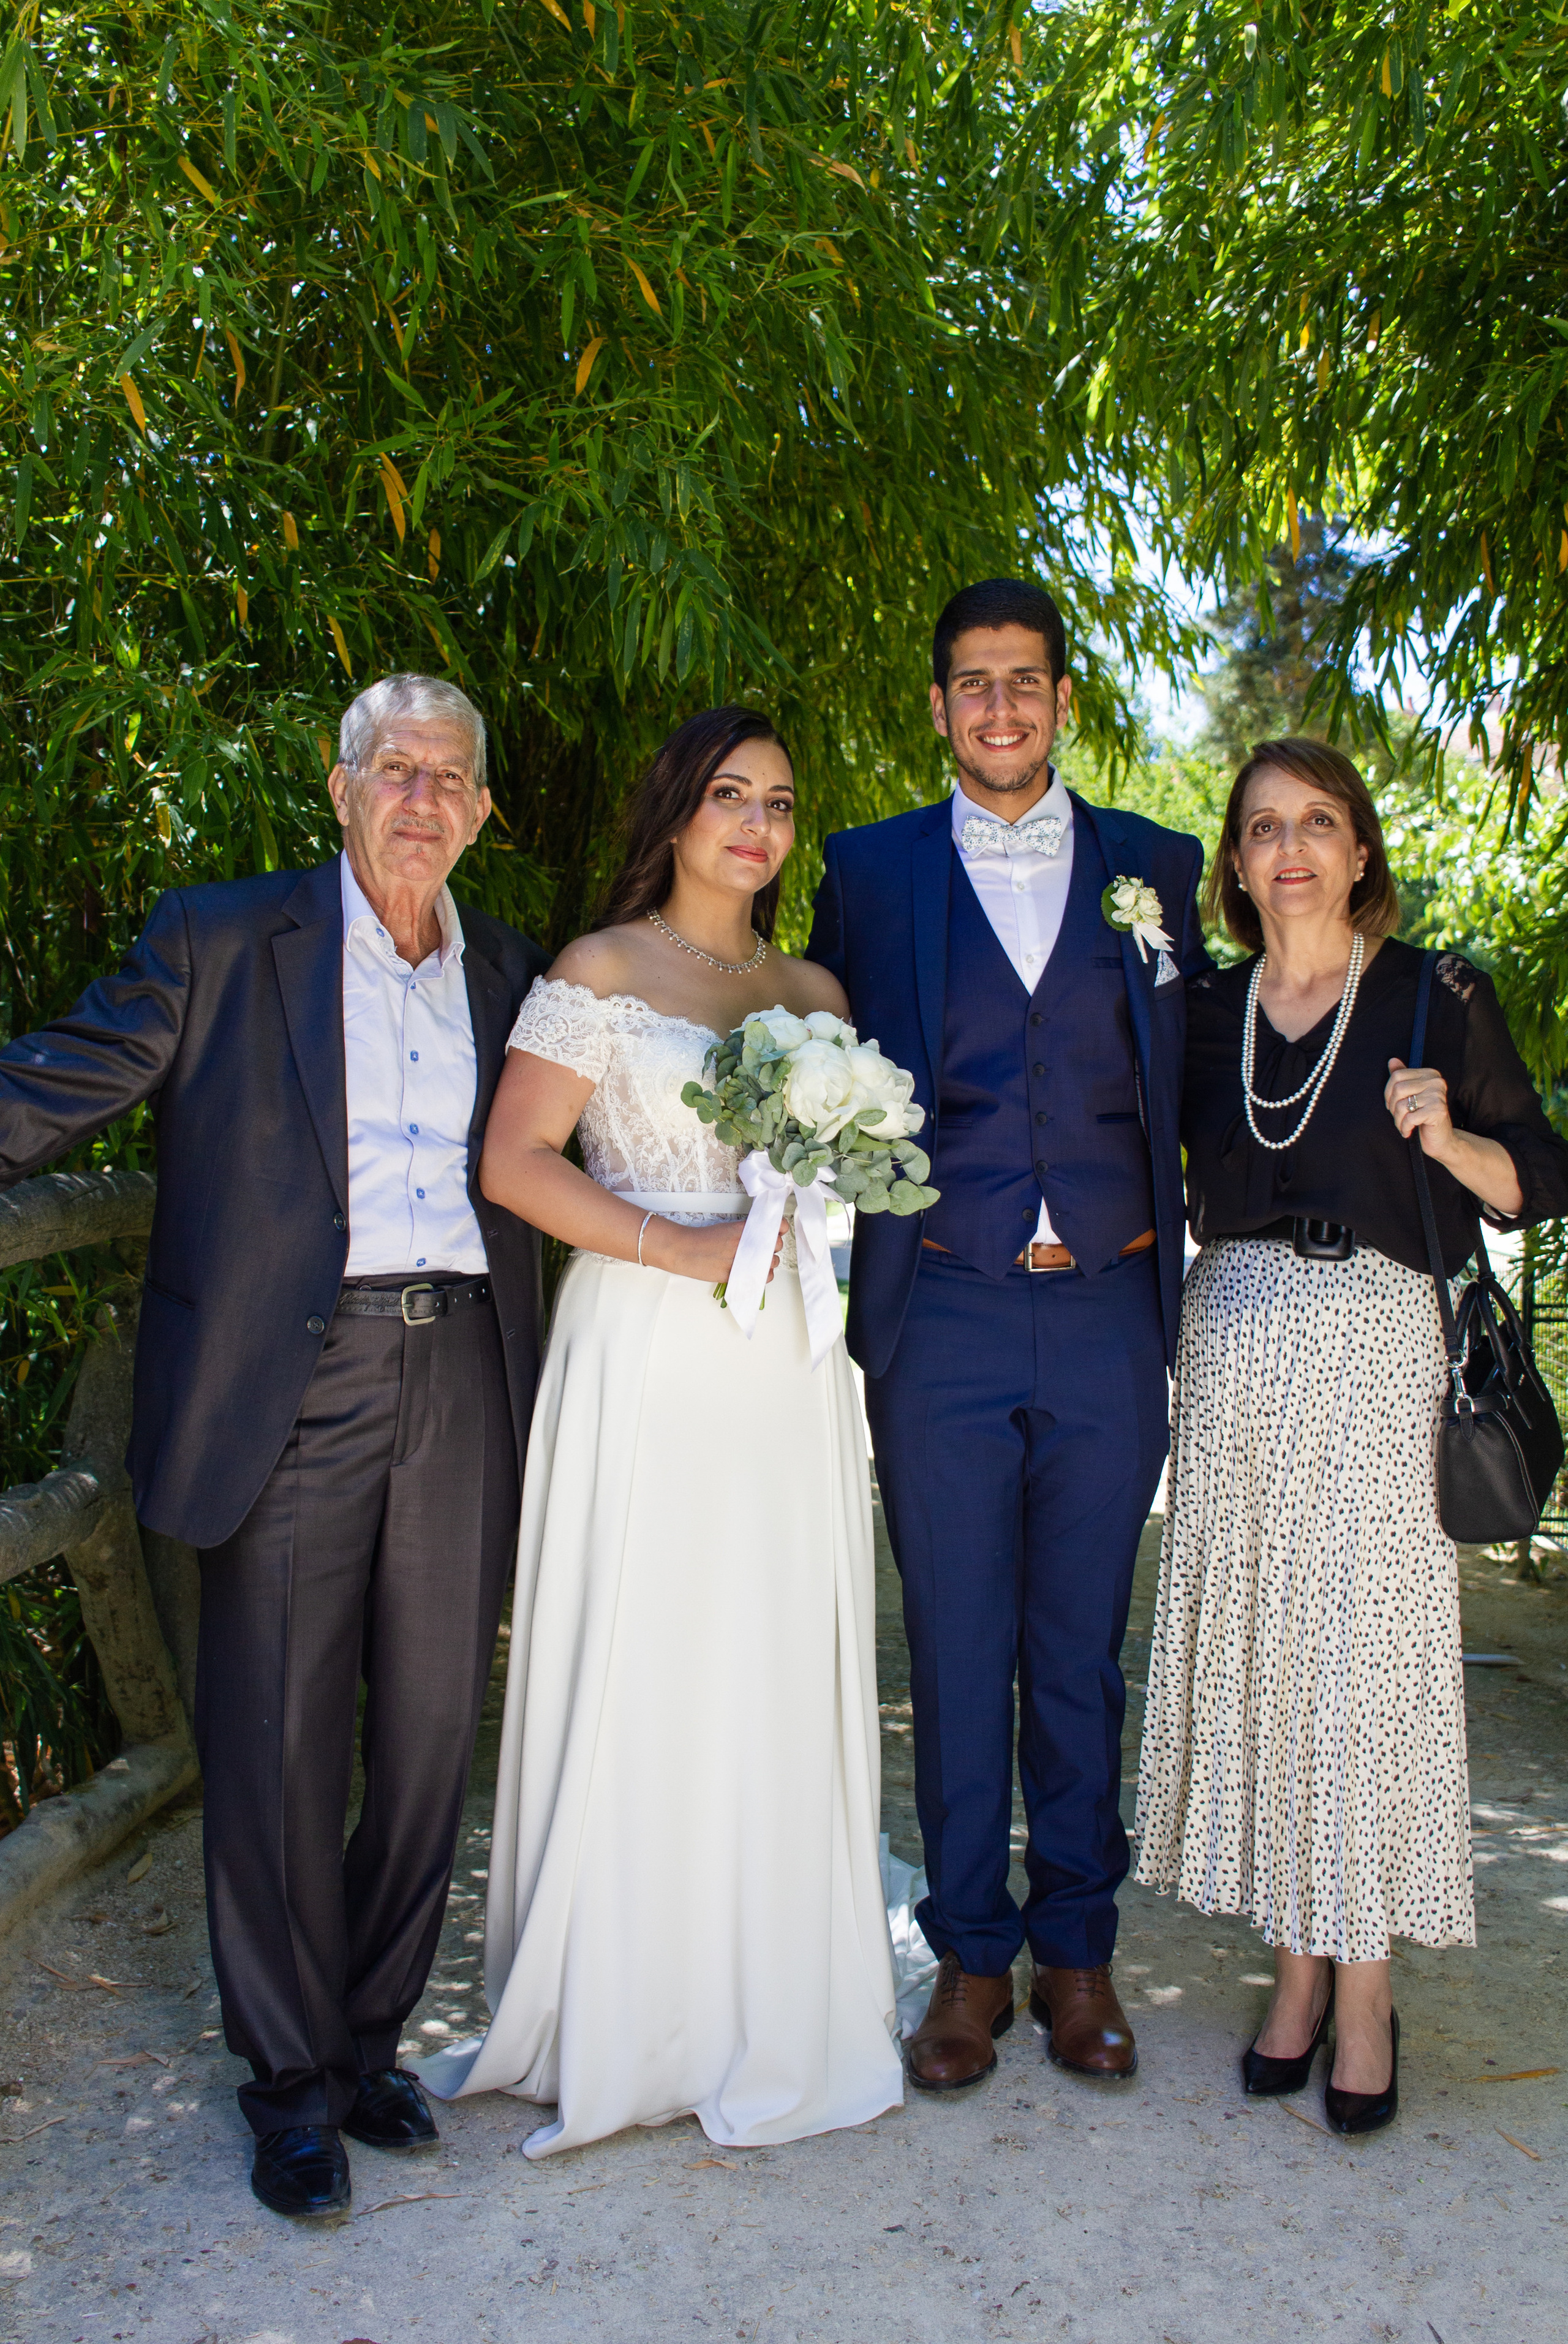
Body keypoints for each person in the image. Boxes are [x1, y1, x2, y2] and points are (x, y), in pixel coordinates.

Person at [0, 675, 549, 2215]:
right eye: (394, 769)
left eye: (450, 776)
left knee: (434, 1735)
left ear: (485, 812)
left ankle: (367, 2046)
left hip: (463, 1377)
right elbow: (57, 1082)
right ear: (339, 787)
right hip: (291, 1386)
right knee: (279, 1746)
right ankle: (288, 2083)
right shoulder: (223, 939)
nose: (421, 799)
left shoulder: (508, 972)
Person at [416, 705, 903, 2153]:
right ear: (678, 812)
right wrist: (671, 1246)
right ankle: (627, 2000)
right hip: (642, 1340)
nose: (755, 824)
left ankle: (761, 1988)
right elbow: (511, 1164)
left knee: (764, 1648)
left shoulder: (810, 981)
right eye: (727, 796)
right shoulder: (600, 970)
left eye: (778, 800)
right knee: (649, 1643)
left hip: (780, 1369)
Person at [806, 579, 1210, 2092]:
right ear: (935, 707)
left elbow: (1212, 1071)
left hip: (1108, 1310)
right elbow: (811, 1057)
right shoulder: (867, 872)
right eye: (969, 683)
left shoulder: (1156, 869)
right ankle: (972, 1958)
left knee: (1079, 1648)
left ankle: (1079, 1957)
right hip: (944, 1313)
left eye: (1022, 682)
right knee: (959, 1645)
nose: (997, 708)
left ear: (1061, 701)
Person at [1135, 736, 1568, 2133]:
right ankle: (1295, 1969)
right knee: (1268, 1658)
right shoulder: (1202, 1010)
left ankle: (1368, 1984)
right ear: (1234, 866)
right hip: (1231, 1352)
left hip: (1376, 1352)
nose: (1290, 849)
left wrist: (1445, 1138)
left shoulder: (1436, 999)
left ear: (1359, 846)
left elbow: (1537, 1179)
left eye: (1316, 821)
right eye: (1261, 828)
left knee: (1363, 1666)